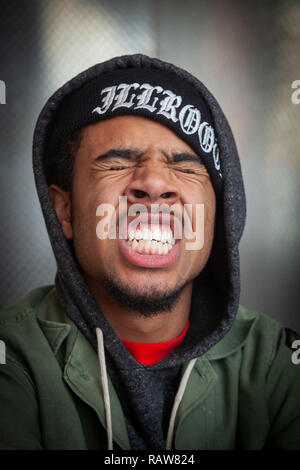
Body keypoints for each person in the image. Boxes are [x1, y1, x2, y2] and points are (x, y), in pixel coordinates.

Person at [0, 54, 299, 451]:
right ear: (65, 212)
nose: (155, 182)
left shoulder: (280, 365)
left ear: (218, 216)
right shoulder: (11, 358)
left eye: (187, 167)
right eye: (117, 163)